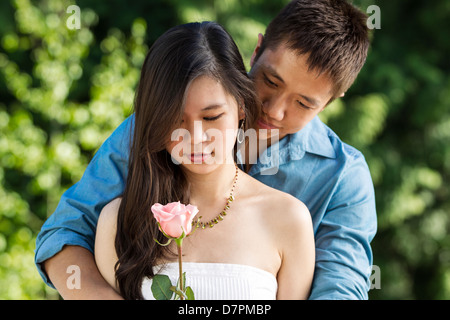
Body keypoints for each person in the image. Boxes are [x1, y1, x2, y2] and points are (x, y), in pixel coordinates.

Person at [35, 0, 377, 300]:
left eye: (304, 103)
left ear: (332, 100)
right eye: (271, 82)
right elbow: (66, 232)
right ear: (257, 50)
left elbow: (341, 284)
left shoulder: (341, 177)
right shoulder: (160, 126)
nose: (275, 110)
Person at [94, 21, 315, 300]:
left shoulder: (288, 218)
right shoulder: (119, 220)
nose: (195, 137)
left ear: (242, 107)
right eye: (175, 119)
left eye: (211, 117)